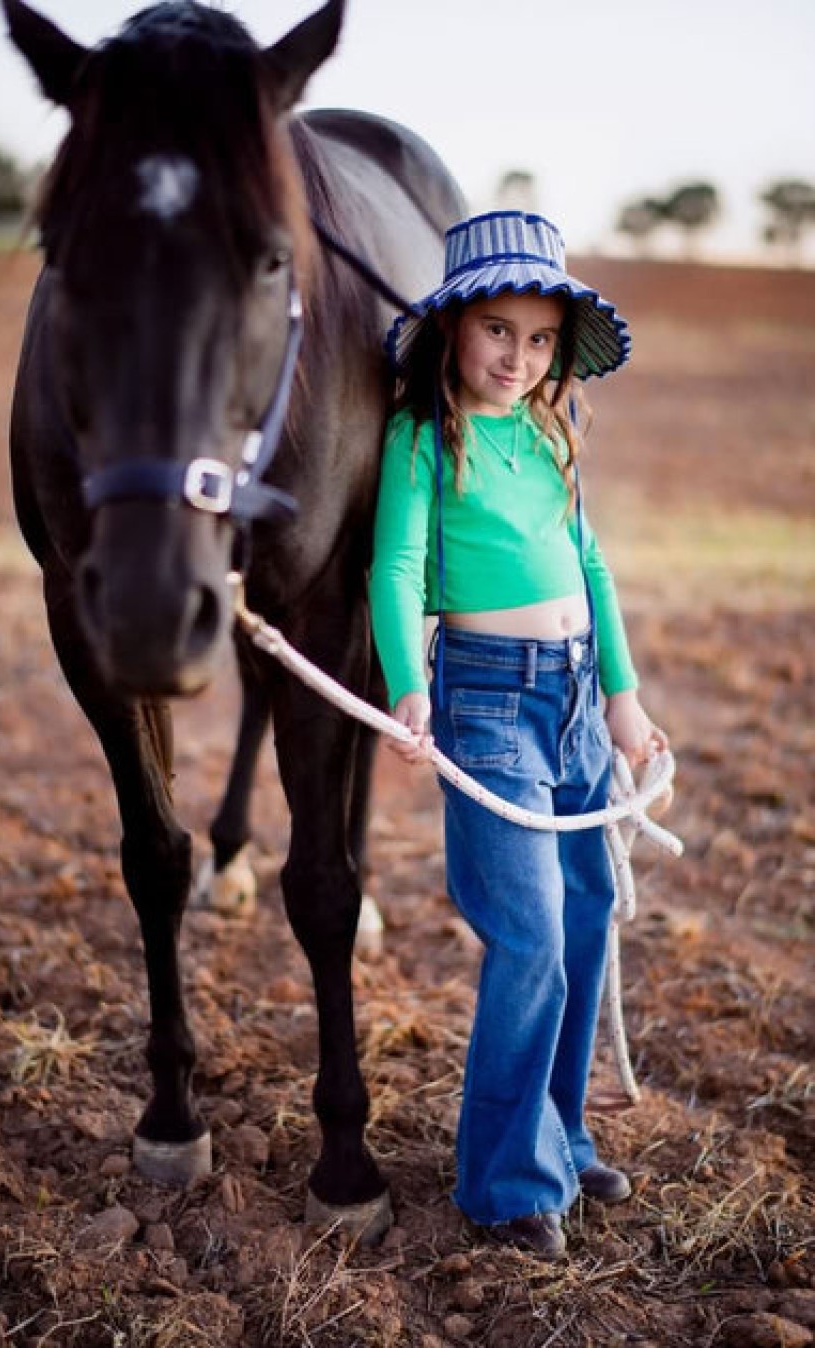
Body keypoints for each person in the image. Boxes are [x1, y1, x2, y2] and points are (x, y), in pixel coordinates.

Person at [368, 210, 669, 1261]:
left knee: (585, 915)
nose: (518, 357)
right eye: (497, 331)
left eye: (539, 339)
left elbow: (591, 566)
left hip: (578, 697)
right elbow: (398, 569)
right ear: (454, 328)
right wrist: (409, 685)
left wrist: (623, 701)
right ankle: (502, 1182)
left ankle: (564, 1131)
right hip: (488, 700)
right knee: (530, 934)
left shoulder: (551, 432)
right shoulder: (422, 437)